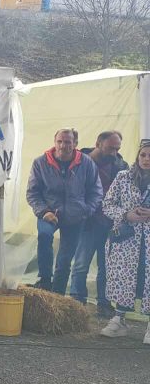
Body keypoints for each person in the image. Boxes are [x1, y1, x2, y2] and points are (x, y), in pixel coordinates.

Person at [26, 129, 103, 294]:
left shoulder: (87, 163)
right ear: (55, 142)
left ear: (75, 144)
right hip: (48, 213)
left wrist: (86, 210)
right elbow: (33, 193)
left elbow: (96, 191)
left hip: (76, 216)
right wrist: (44, 211)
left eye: (68, 142)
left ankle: (58, 293)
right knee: (45, 236)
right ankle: (45, 280)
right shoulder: (40, 162)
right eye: (60, 141)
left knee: (65, 258)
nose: (63, 145)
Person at [69, 131, 128, 316]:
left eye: (117, 148)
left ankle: (103, 303)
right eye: (111, 148)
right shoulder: (79, 161)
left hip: (110, 223)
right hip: (87, 221)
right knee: (81, 264)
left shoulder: (120, 165)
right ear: (98, 144)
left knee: (107, 266)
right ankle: (77, 303)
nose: (114, 152)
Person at [99, 139, 150, 345]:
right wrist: (126, 214)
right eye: (143, 155)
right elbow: (107, 204)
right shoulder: (123, 177)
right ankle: (119, 320)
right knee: (124, 278)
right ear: (138, 156)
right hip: (126, 240)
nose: (147, 159)